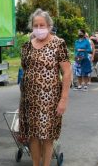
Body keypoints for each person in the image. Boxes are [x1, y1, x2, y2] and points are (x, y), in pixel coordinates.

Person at [19, 9, 71, 166]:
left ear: (49, 25)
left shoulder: (58, 44)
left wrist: (63, 99)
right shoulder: (27, 46)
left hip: (50, 100)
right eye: (36, 25)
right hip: (29, 99)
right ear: (32, 27)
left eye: (42, 25)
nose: (39, 28)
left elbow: (67, 72)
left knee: (47, 136)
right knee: (33, 135)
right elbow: (25, 69)